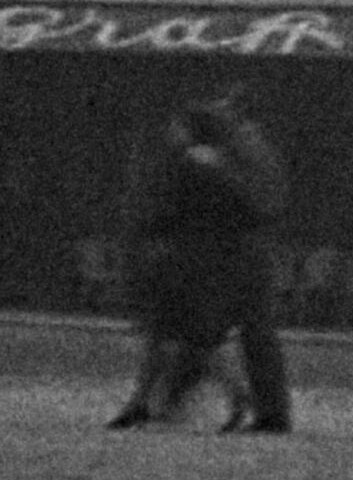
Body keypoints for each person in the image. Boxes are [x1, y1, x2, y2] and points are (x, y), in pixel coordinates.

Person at [114, 92, 294, 435]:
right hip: (227, 257)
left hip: (210, 261)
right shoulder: (232, 159)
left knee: (190, 334)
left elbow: (237, 209)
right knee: (204, 336)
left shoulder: (204, 163)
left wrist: (154, 228)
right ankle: (158, 403)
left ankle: (157, 403)